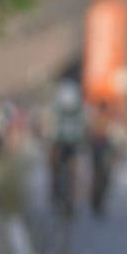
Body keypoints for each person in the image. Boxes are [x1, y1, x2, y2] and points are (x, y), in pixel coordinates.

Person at [49, 77, 87, 217]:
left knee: (74, 172)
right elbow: (51, 125)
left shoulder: (79, 110)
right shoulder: (58, 109)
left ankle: (72, 199)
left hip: (73, 144)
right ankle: (55, 193)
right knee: (54, 166)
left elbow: (83, 128)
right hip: (60, 143)